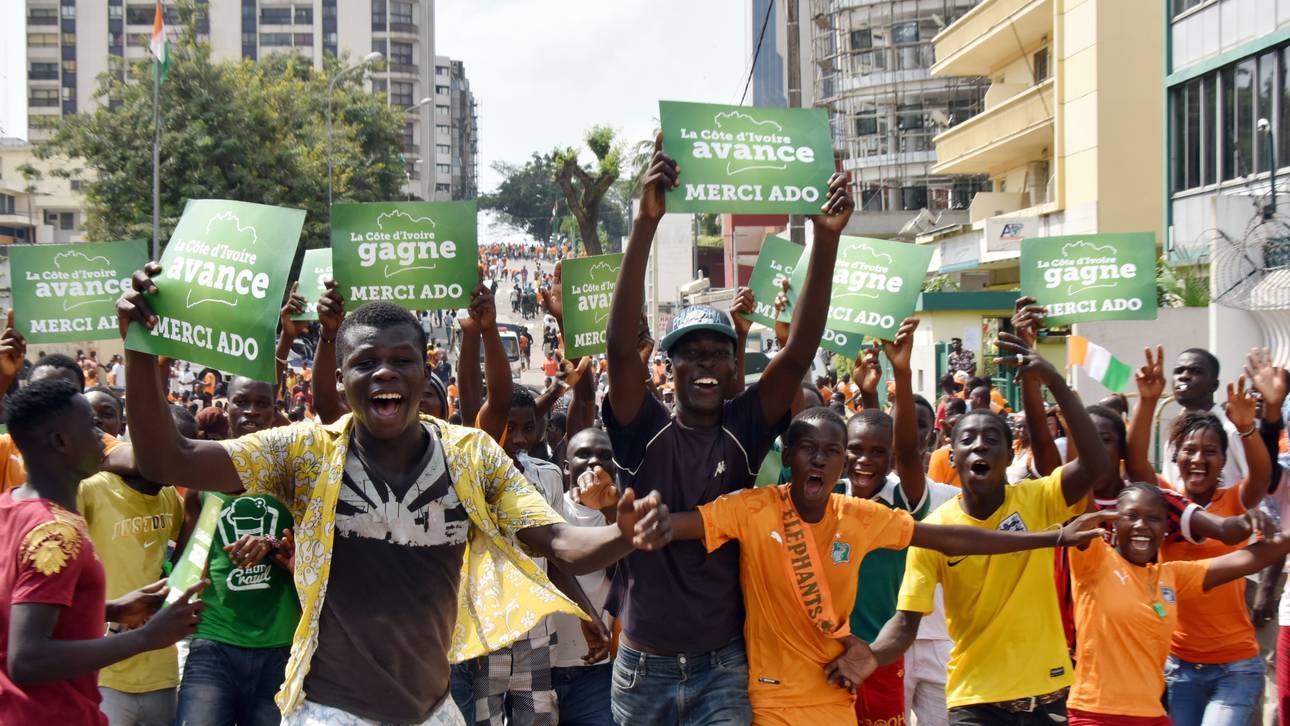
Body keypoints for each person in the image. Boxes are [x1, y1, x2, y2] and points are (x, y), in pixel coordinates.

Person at [117, 269, 672, 724]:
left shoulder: (470, 456)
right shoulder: (307, 453)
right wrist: (140, 350)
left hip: (435, 713)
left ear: (425, 369)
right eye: (365, 362)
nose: (385, 371)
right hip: (330, 713)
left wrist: (621, 534)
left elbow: (559, 541)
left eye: (402, 360)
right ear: (339, 382)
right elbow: (170, 460)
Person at [602, 132, 854, 724]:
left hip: (723, 668)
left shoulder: (745, 428)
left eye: (719, 352)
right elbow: (617, 352)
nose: (707, 364)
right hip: (643, 671)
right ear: (672, 365)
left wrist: (825, 239)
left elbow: (799, 352)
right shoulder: (645, 430)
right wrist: (644, 224)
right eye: (692, 354)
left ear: (735, 362)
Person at [668, 406, 1111, 726]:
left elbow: (951, 537)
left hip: (837, 695)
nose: (820, 459)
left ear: (841, 463)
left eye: (832, 450)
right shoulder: (754, 508)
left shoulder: (861, 516)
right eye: (808, 449)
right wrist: (626, 521)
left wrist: (1053, 537)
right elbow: (679, 526)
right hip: (771, 699)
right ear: (788, 458)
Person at [869, 332, 1109, 725]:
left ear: (1009, 451)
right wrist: (871, 655)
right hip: (974, 704)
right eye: (969, 439)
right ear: (952, 452)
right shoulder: (934, 531)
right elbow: (905, 621)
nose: (980, 446)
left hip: (1046, 700)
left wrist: (1057, 382)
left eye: (991, 439)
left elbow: (1096, 464)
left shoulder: (1039, 499)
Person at [0, 380, 205, 725]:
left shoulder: (12, 507)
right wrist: (145, 637)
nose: (104, 437)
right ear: (61, 442)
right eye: (91, 426)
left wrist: (111, 609)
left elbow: (20, 613)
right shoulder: (55, 534)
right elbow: (27, 658)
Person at [1065, 484, 1290, 725]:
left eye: (1153, 519)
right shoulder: (1095, 560)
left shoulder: (1170, 576)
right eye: (1131, 516)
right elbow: (1084, 473)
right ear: (1114, 523)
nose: (1142, 525)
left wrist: (1253, 521)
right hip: (1095, 715)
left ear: (1165, 529)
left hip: (1151, 717)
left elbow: (1247, 560)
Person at [1126, 376, 1272, 726]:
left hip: (1235, 667)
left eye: (1210, 451)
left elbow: (1262, 476)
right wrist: (1146, 403)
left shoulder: (1235, 500)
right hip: (1179, 667)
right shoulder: (1163, 503)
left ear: (1223, 460)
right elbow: (1136, 467)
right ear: (1176, 456)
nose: (1198, 458)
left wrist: (1247, 429)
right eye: (1189, 450)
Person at [79, 405, 192, 726]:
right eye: (170, 447)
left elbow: (188, 550)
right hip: (104, 670)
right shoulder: (92, 490)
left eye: (187, 449)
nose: (180, 459)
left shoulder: (170, 497)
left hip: (161, 670)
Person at [1163, 348, 1248, 487]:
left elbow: (1255, 486)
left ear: (1214, 385)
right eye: (1179, 371)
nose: (1184, 376)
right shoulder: (1174, 433)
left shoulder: (1230, 430)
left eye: (1196, 371)